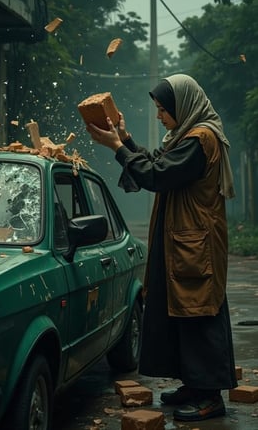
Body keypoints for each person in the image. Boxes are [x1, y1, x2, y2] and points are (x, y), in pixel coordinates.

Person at [86, 73, 237, 422]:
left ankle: (210, 397)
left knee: (199, 314)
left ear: (181, 107)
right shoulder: (184, 136)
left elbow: (157, 176)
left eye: (162, 110)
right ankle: (194, 386)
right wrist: (123, 137)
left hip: (195, 245)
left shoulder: (200, 139)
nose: (159, 116)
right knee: (183, 313)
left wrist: (117, 148)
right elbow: (155, 163)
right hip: (184, 242)